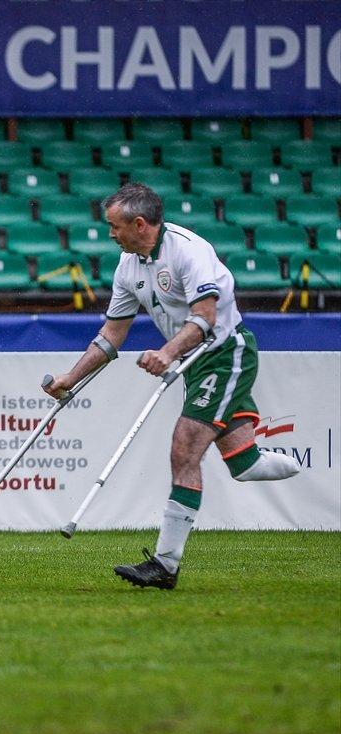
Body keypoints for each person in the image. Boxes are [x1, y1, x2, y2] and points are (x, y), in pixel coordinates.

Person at [43, 183, 300, 589]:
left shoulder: (189, 251)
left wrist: (166, 353)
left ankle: (165, 565)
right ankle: (301, 466)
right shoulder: (128, 266)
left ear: (139, 224)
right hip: (193, 363)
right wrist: (68, 380)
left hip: (224, 352)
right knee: (246, 466)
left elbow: (206, 317)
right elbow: (112, 335)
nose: (110, 234)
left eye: (115, 226)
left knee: (184, 446)